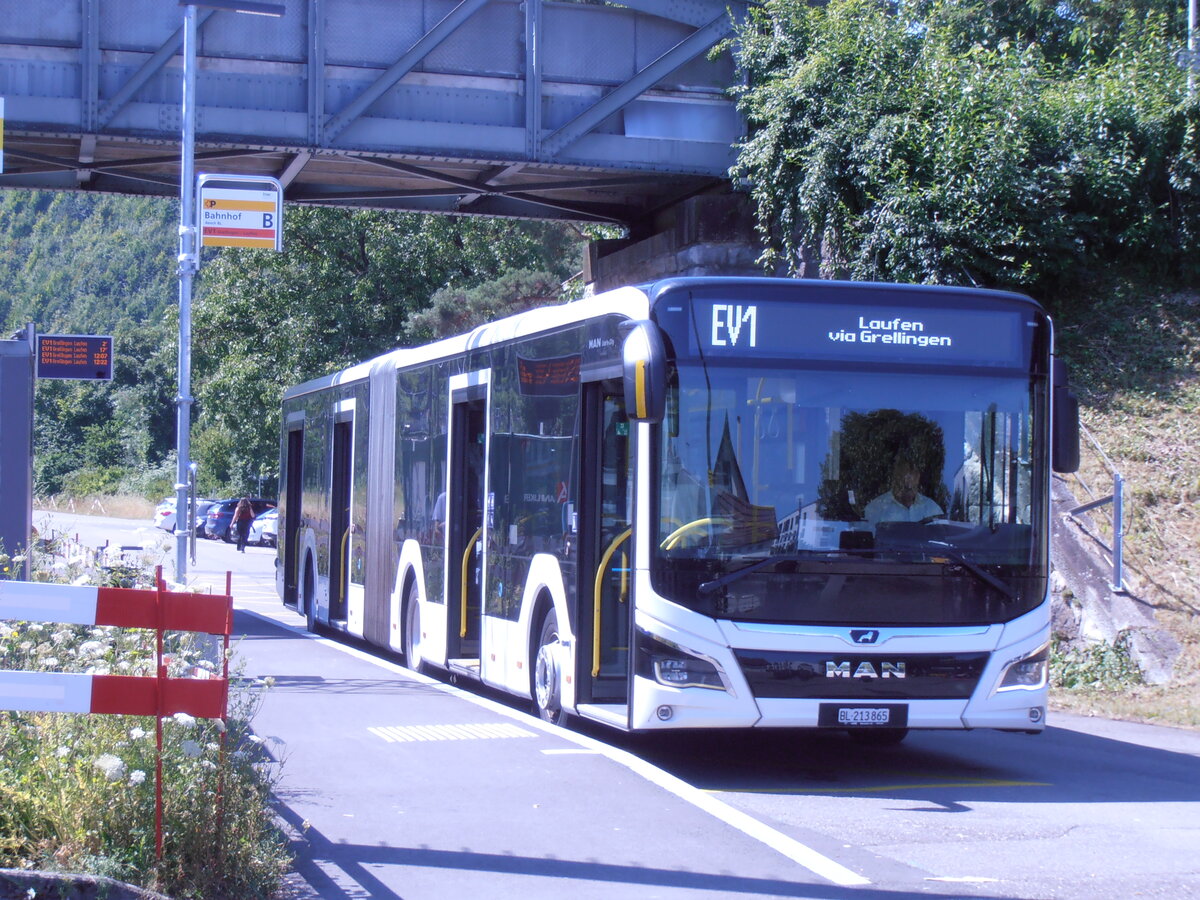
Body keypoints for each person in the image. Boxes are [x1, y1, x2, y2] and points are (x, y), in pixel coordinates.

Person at [864, 457, 943, 525]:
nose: (909, 483)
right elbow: (869, 540)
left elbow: (942, 537)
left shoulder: (932, 508)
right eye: (904, 476)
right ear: (895, 479)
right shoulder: (876, 509)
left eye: (913, 475)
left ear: (918, 479)